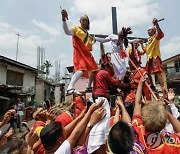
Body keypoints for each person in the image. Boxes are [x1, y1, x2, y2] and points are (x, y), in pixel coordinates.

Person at [132, 77, 180, 153]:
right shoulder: (172, 144)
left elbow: (137, 103)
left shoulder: (137, 132)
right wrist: (165, 111)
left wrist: (140, 84)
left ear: (143, 120)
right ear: (164, 125)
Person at [61, 9, 98, 96]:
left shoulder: (89, 35)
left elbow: (88, 46)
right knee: (81, 69)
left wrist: (94, 41)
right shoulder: (76, 29)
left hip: (86, 54)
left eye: (85, 20)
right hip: (79, 51)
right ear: (80, 21)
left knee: (94, 70)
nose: (84, 21)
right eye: (82, 20)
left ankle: (88, 87)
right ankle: (70, 88)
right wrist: (63, 20)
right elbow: (67, 32)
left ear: (88, 23)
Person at [140, 18, 168, 98]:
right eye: (148, 30)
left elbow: (160, 33)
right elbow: (145, 50)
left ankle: (163, 89)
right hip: (149, 59)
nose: (148, 31)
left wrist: (156, 24)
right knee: (147, 73)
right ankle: (152, 85)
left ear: (153, 31)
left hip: (155, 57)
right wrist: (142, 44)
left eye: (149, 30)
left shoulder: (156, 37)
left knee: (158, 74)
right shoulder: (149, 40)